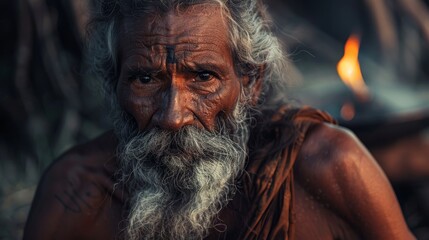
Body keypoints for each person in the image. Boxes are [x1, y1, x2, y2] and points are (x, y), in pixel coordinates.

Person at [24, 0, 415, 239]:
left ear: (250, 82)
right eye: (145, 79)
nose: (173, 116)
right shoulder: (78, 196)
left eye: (203, 77)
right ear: (115, 85)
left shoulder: (329, 167)